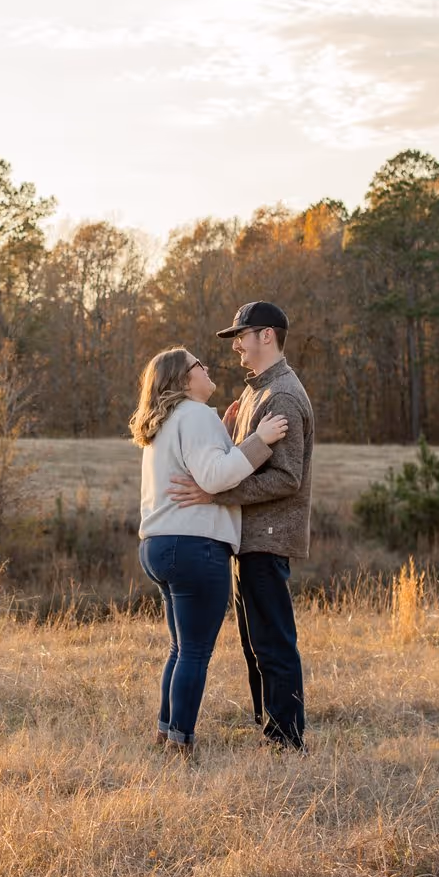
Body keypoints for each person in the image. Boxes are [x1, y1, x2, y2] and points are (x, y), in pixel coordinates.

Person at [169, 300, 314, 749]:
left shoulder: (282, 395)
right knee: (254, 639)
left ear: (265, 336)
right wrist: (234, 432)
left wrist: (218, 494)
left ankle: (286, 739)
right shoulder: (256, 392)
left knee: (272, 639)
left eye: (241, 336)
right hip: (247, 535)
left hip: (267, 537)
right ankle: (268, 725)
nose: (236, 347)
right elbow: (249, 460)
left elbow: (287, 478)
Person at [132, 345, 290, 756]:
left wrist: (224, 429)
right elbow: (215, 476)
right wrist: (259, 440)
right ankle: (181, 744)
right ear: (185, 380)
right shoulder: (195, 415)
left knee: (180, 647)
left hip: (157, 546)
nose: (205, 368)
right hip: (194, 547)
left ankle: (166, 731)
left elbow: (198, 461)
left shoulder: (165, 422)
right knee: (196, 652)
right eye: (197, 365)